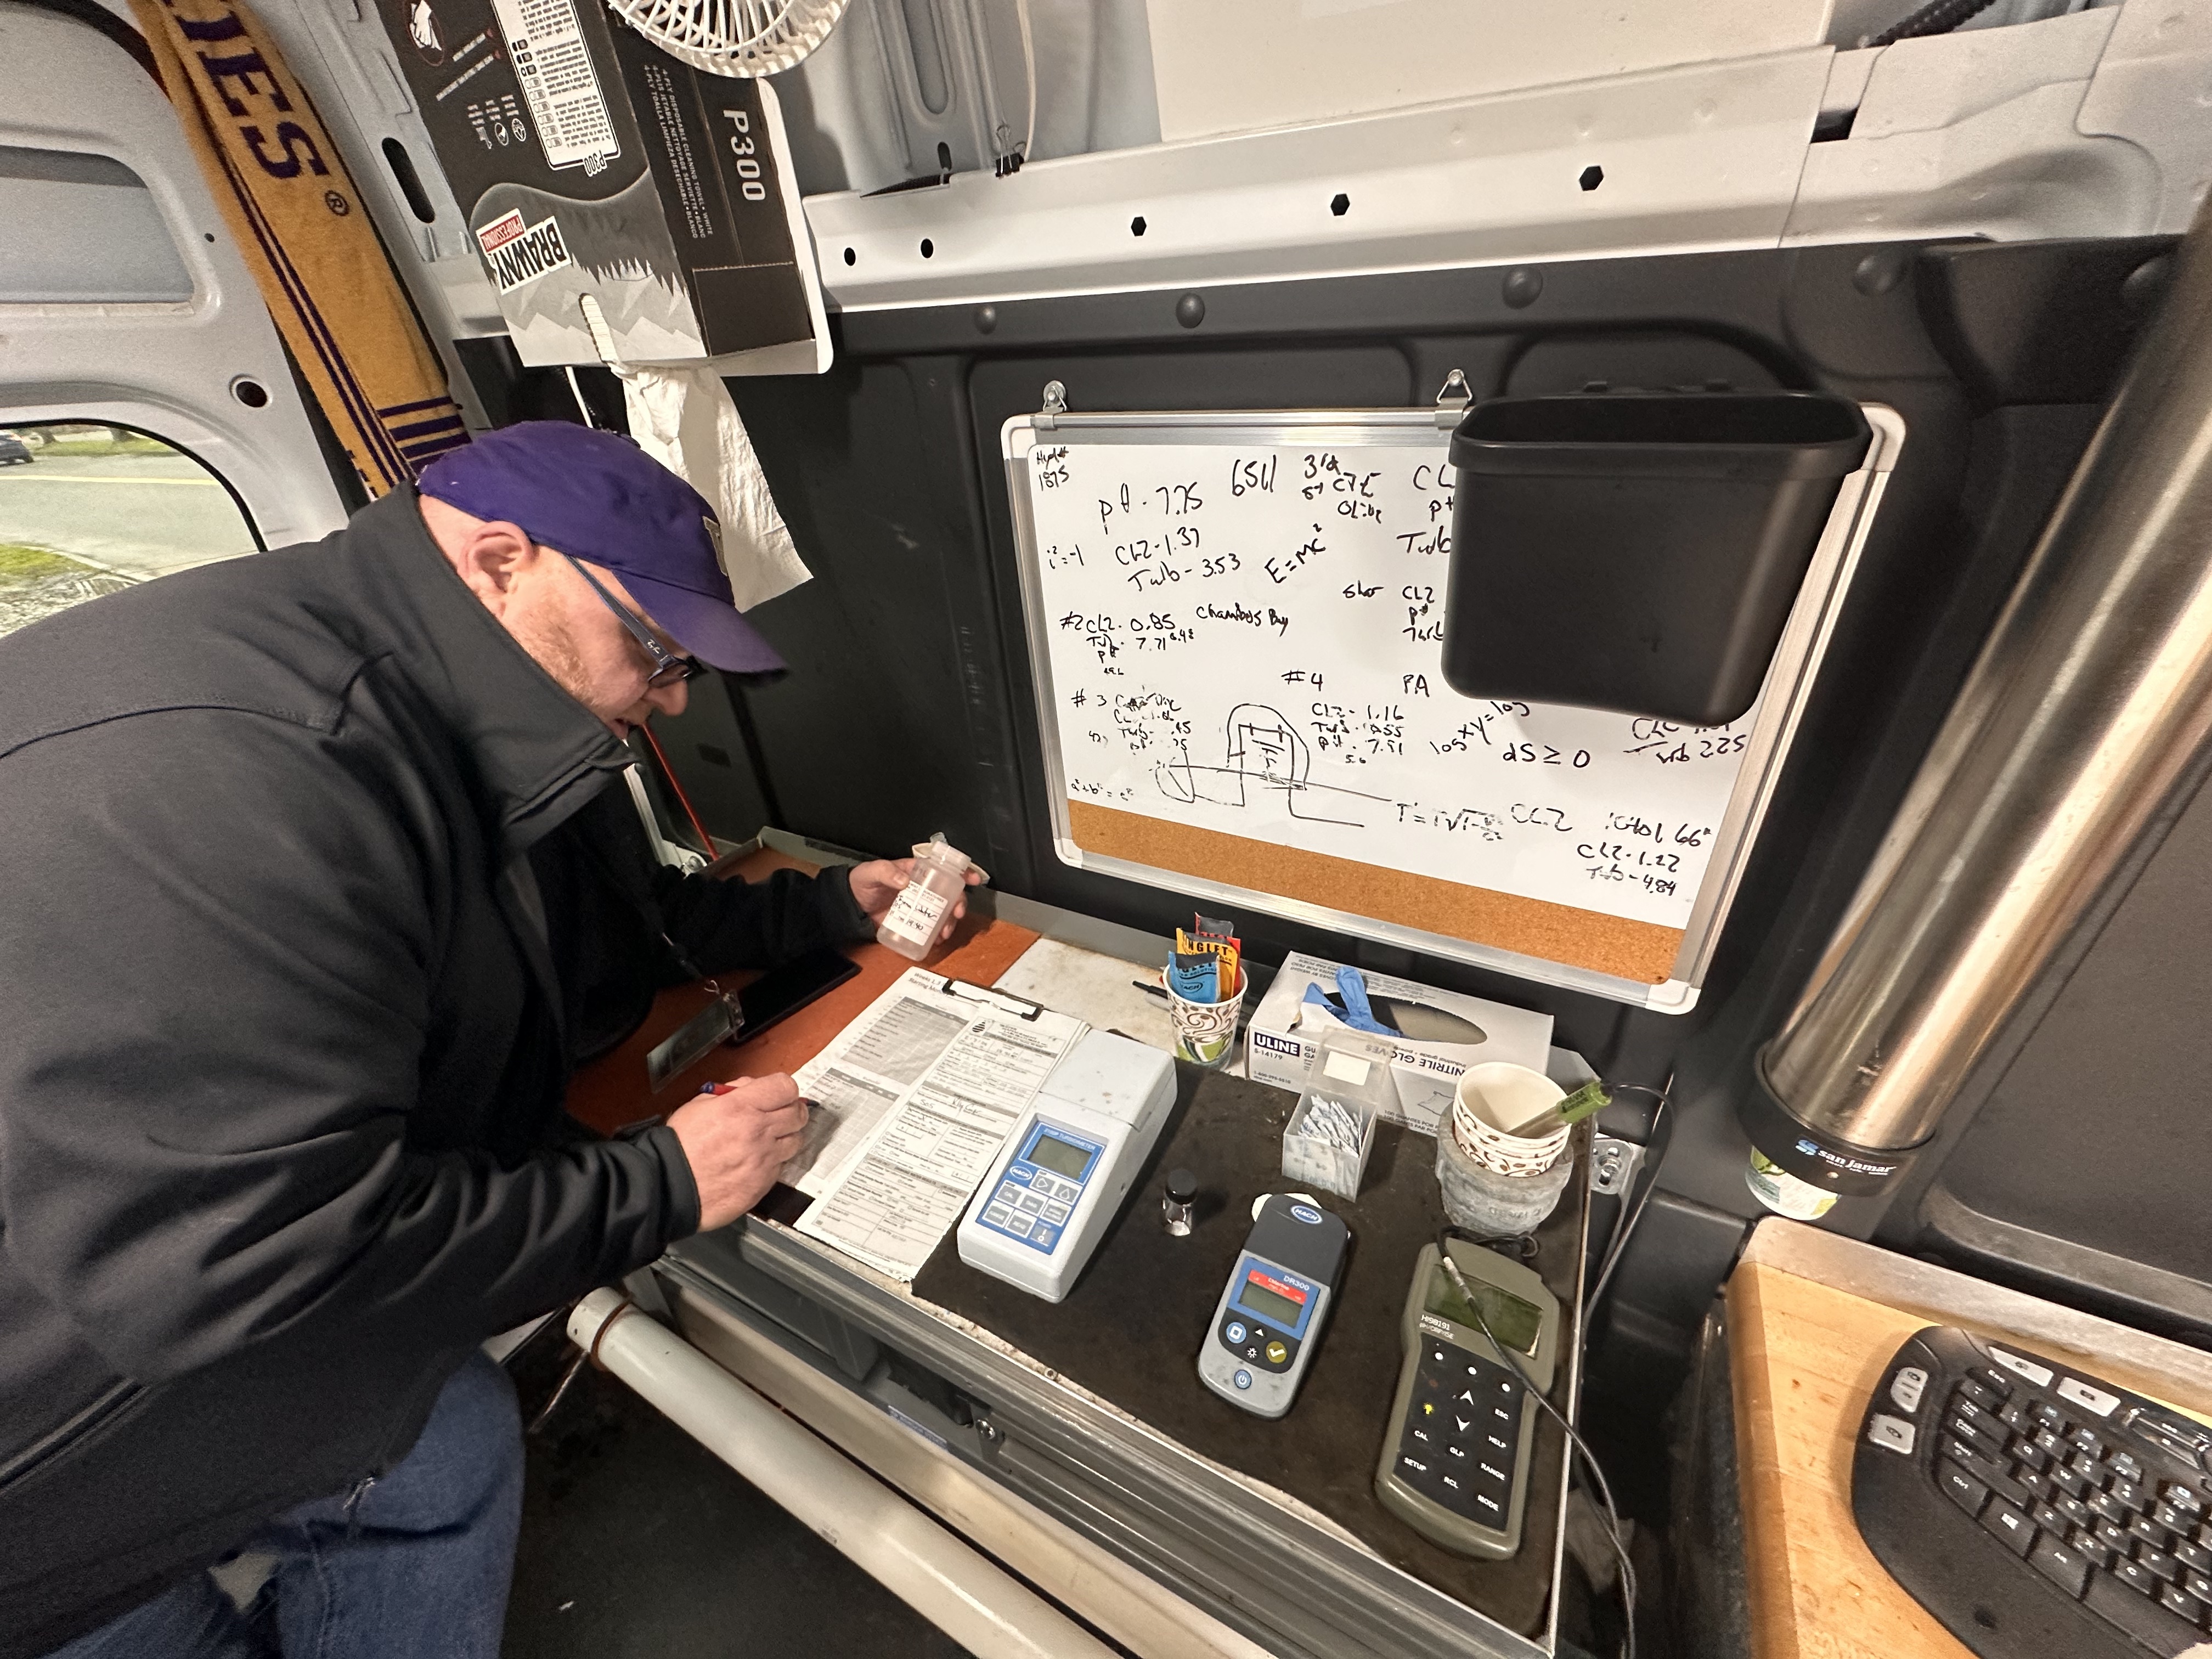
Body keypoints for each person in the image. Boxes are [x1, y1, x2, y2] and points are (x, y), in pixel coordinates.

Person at [0, 422, 978, 1658]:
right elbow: (250, 1266)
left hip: (178, 1320)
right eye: (657, 649)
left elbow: (625, 927)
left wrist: (831, 905)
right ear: (503, 559)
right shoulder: (252, 779)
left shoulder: (462, 702)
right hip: (59, 1440)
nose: (671, 699)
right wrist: (660, 1184)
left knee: (444, 1441)